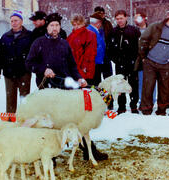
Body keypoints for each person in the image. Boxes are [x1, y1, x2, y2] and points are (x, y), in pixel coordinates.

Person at [26, 12, 108, 161]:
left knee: (75, 119)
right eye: (52, 25)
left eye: (57, 25)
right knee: (50, 122)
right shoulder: (38, 43)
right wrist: (43, 69)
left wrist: (79, 78)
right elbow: (29, 63)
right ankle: (49, 155)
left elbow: (72, 65)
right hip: (47, 89)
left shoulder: (64, 43)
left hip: (65, 88)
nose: (55, 28)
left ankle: (89, 150)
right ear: (47, 27)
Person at [136, 3, 169, 116]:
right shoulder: (156, 27)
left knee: (165, 91)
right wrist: (144, 57)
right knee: (147, 89)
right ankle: (146, 112)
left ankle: (161, 112)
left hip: (167, 65)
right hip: (150, 63)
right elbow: (143, 40)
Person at [0, 10, 32, 113]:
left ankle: (24, 120)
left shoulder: (29, 36)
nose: (14, 23)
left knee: (25, 99)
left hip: (24, 72)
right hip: (9, 73)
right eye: (12, 21)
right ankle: (10, 122)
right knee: (10, 99)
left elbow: (34, 53)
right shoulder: (6, 37)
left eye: (16, 20)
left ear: (21, 21)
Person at [108, 10, 141, 114]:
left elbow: (138, 47)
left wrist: (134, 59)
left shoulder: (134, 30)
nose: (119, 21)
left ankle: (133, 106)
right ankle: (121, 106)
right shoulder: (113, 32)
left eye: (121, 18)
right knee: (120, 85)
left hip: (131, 63)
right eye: (117, 19)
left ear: (126, 18)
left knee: (133, 85)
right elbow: (109, 48)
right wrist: (115, 59)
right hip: (119, 63)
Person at [134, 11, 157, 106]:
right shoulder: (134, 31)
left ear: (144, 18)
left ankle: (152, 100)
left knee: (151, 82)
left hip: (151, 60)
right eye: (135, 18)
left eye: (138, 18)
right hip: (139, 62)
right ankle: (142, 101)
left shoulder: (151, 30)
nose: (136, 20)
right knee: (141, 82)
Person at [67, 14, 97, 84]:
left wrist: (84, 68)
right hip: (74, 68)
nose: (76, 27)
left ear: (83, 23)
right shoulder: (71, 36)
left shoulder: (90, 34)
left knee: (88, 90)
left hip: (84, 68)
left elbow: (90, 54)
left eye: (78, 24)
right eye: (74, 25)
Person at [86, 12, 106, 86]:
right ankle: (105, 98)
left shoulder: (94, 31)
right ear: (98, 23)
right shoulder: (90, 32)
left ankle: (104, 97)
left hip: (96, 64)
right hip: (93, 65)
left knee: (96, 85)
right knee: (95, 86)